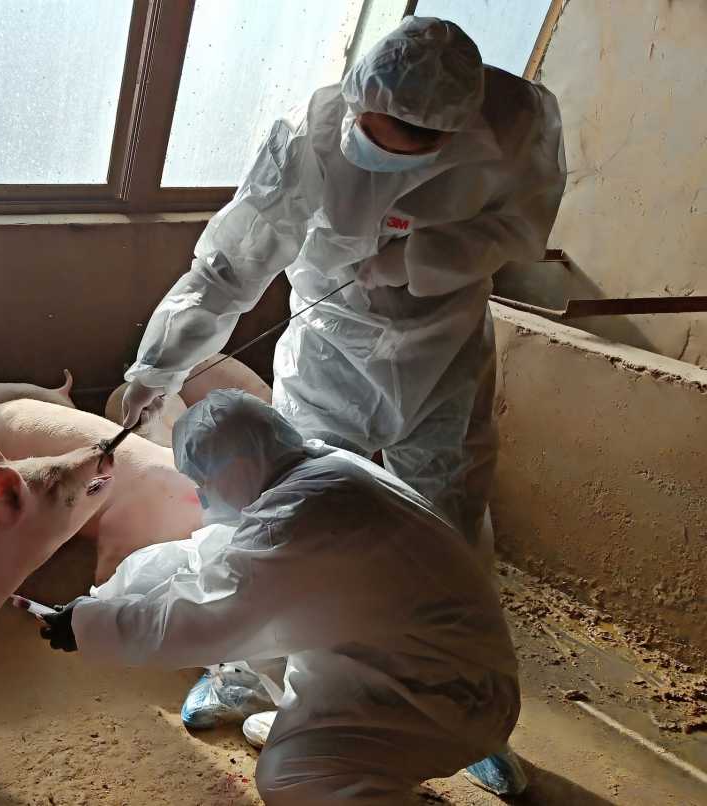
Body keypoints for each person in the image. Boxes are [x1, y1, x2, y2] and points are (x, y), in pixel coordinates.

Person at [117, 16, 564, 793]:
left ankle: (456, 710)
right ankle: (248, 679)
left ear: (451, 132)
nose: (374, 143)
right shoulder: (312, 137)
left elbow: (525, 229)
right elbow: (230, 263)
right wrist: (159, 363)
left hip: (444, 346)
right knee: (288, 520)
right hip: (329, 341)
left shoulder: (516, 124)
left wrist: (423, 257)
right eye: (371, 126)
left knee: (447, 521)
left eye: (404, 140)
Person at [39, 390, 521, 805]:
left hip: (445, 700)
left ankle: (364, 768)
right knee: (266, 634)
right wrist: (104, 602)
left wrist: (90, 627)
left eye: (205, 481)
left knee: (290, 778)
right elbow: (209, 558)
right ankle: (330, 734)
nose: (203, 498)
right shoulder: (321, 470)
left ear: (241, 465)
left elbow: (208, 620)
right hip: (420, 662)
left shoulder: (294, 519)